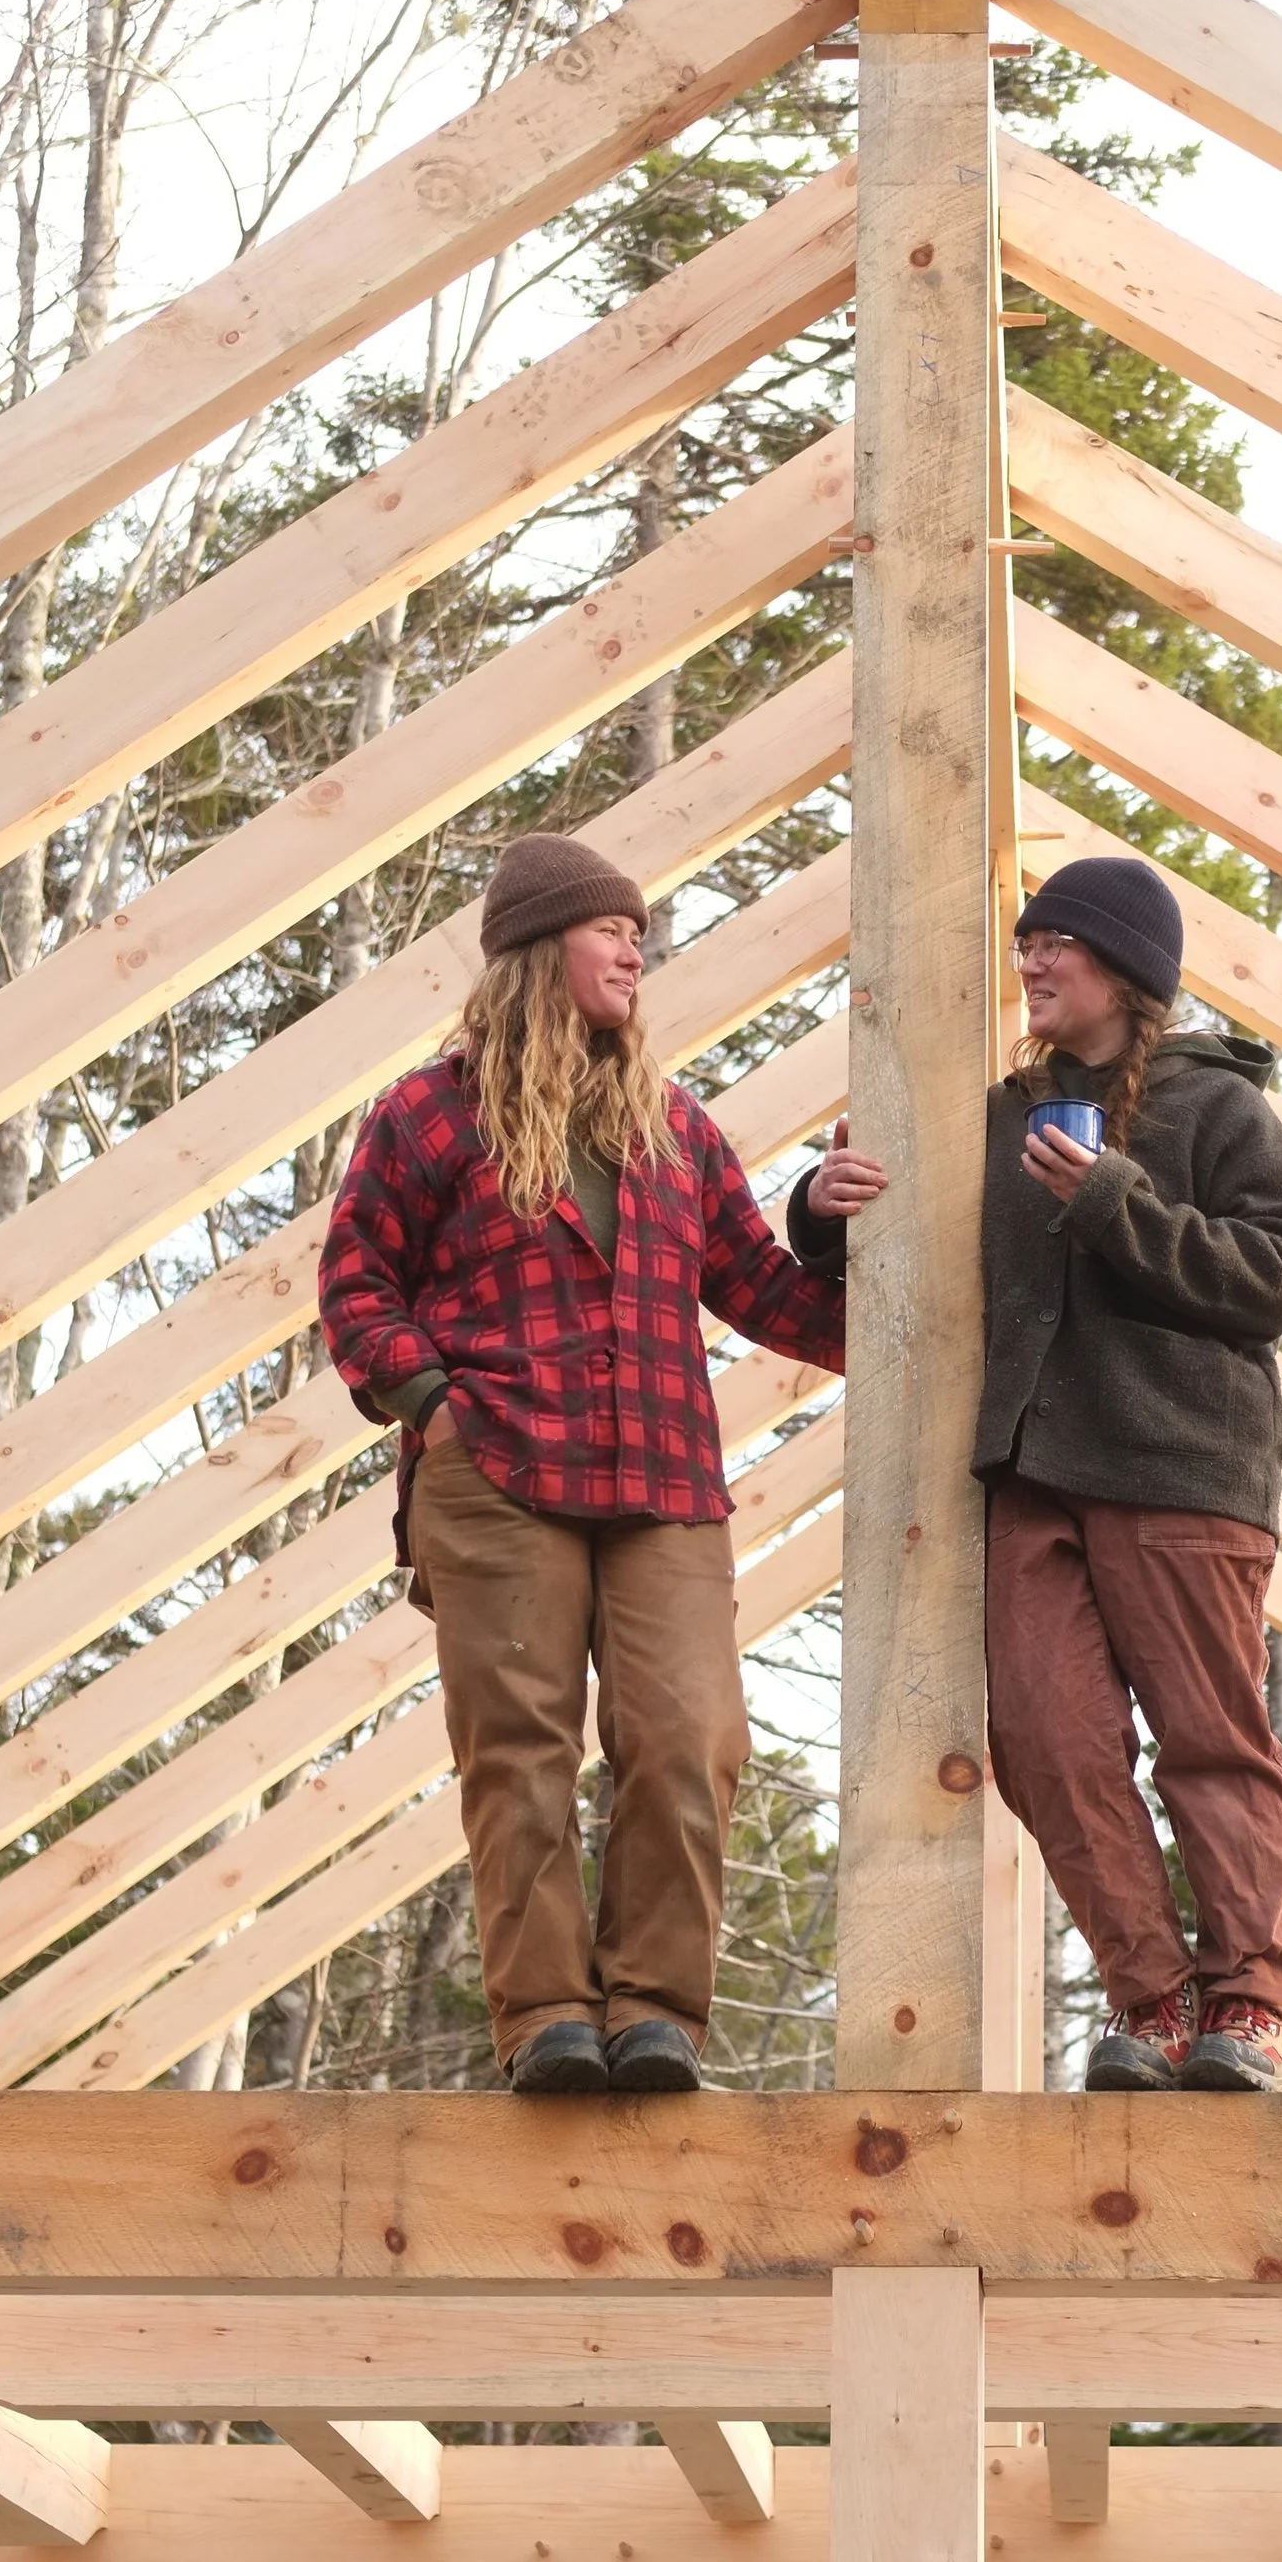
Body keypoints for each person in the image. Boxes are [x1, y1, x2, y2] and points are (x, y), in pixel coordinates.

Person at [319, 830, 885, 2097]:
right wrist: (434, 1401)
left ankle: (656, 2015)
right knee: (517, 1753)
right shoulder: (428, 1111)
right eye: (609, 928)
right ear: (537, 949)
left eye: (640, 931)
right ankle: (546, 2021)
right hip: (499, 1469)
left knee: (690, 1739)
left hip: (663, 1482)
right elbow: (355, 1280)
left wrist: (837, 1233)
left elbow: (767, 1294)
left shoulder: (674, 1124)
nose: (637, 947)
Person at [979, 850, 1282, 2092]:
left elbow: (1270, 1280)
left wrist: (1113, 1198)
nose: (1031, 962)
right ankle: (1156, 2001)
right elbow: (908, 1268)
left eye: (1053, 942)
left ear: (1124, 967)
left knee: (1208, 1742)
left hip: (1183, 1464)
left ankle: (1252, 2012)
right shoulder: (1002, 1115)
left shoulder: (1216, 1109)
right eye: (1024, 944)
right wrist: (821, 1209)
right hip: (1032, 1470)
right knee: (1043, 1738)